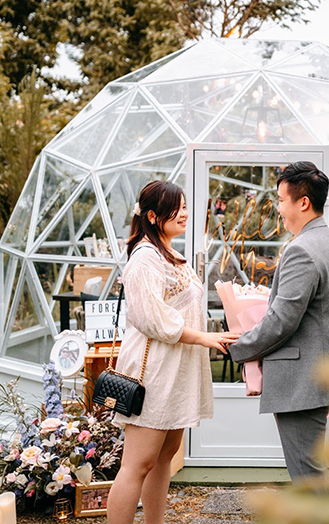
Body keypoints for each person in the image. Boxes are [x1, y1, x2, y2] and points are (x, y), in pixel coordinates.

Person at [107, 180, 240, 524]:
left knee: (164, 458)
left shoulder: (172, 254)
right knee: (137, 464)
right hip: (153, 373)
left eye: (184, 206)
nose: (184, 213)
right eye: (176, 207)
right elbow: (152, 318)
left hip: (176, 372)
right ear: (152, 215)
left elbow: (184, 310)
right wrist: (204, 339)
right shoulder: (146, 259)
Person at [229, 161, 329, 486]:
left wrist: (238, 347)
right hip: (315, 376)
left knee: (307, 478)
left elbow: (283, 320)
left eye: (282, 200)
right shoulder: (325, 242)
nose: (279, 209)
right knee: (310, 474)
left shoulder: (302, 249)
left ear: (303, 202)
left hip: (304, 381)